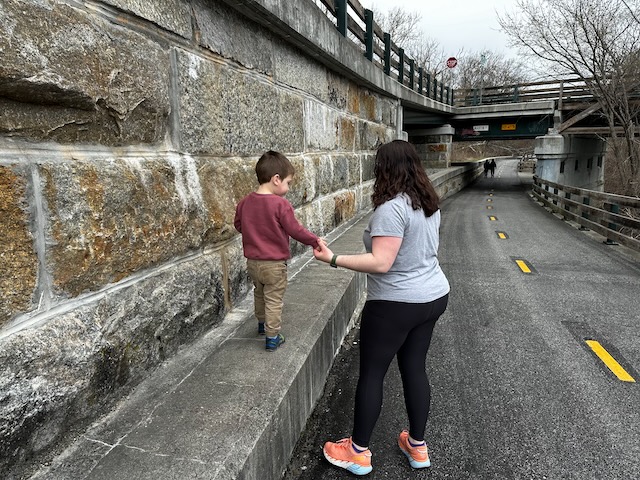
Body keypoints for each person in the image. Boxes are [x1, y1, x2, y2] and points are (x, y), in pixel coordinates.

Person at [314, 140, 450, 475]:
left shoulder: (392, 208)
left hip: (395, 304)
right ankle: (417, 446)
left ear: (384, 168)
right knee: (414, 369)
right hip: (432, 297)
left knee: (373, 374)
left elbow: (381, 262)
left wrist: (333, 258)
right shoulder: (428, 204)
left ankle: (358, 452)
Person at [234, 150, 323, 351]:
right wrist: (315, 241)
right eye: (288, 182)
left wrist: (254, 233)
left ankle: (261, 324)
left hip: (253, 263)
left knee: (259, 293)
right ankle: (272, 336)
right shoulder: (280, 204)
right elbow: (295, 230)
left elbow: (239, 225)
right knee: (274, 299)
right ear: (276, 179)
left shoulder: (245, 202)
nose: (288, 188)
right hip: (274, 264)